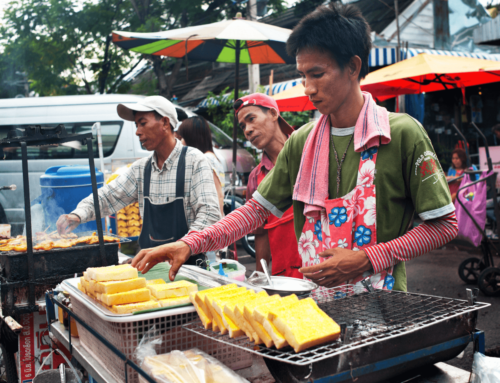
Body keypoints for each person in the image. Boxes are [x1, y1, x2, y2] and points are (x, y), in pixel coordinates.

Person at [131, 3, 458, 291]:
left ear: (353, 67)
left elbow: (443, 224)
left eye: (317, 74)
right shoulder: (302, 142)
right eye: (303, 76)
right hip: (312, 301)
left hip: (385, 302)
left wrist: (367, 258)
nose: (308, 88)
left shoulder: (400, 134)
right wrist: (189, 244)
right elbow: (256, 211)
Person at [56, 96, 221, 266]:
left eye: (142, 123)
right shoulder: (141, 169)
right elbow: (108, 196)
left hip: (188, 266)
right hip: (150, 268)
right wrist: (78, 214)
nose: (137, 131)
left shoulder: (194, 161)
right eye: (136, 125)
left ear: (164, 123)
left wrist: (185, 245)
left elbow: (209, 213)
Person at [239, 93, 302, 277]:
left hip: (321, 270)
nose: (247, 130)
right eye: (243, 126)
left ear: (274, 114)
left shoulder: (308, 152)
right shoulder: (255, 178)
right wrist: (260, 275)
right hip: (284, 278)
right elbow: (261, 234)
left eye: (251, 119)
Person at [177, 116, 225, 215]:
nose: (180, 142)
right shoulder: (211, 157)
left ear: (192, 138)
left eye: (182, 138)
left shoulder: (206, 159)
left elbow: (218, 196)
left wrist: (215, 228)